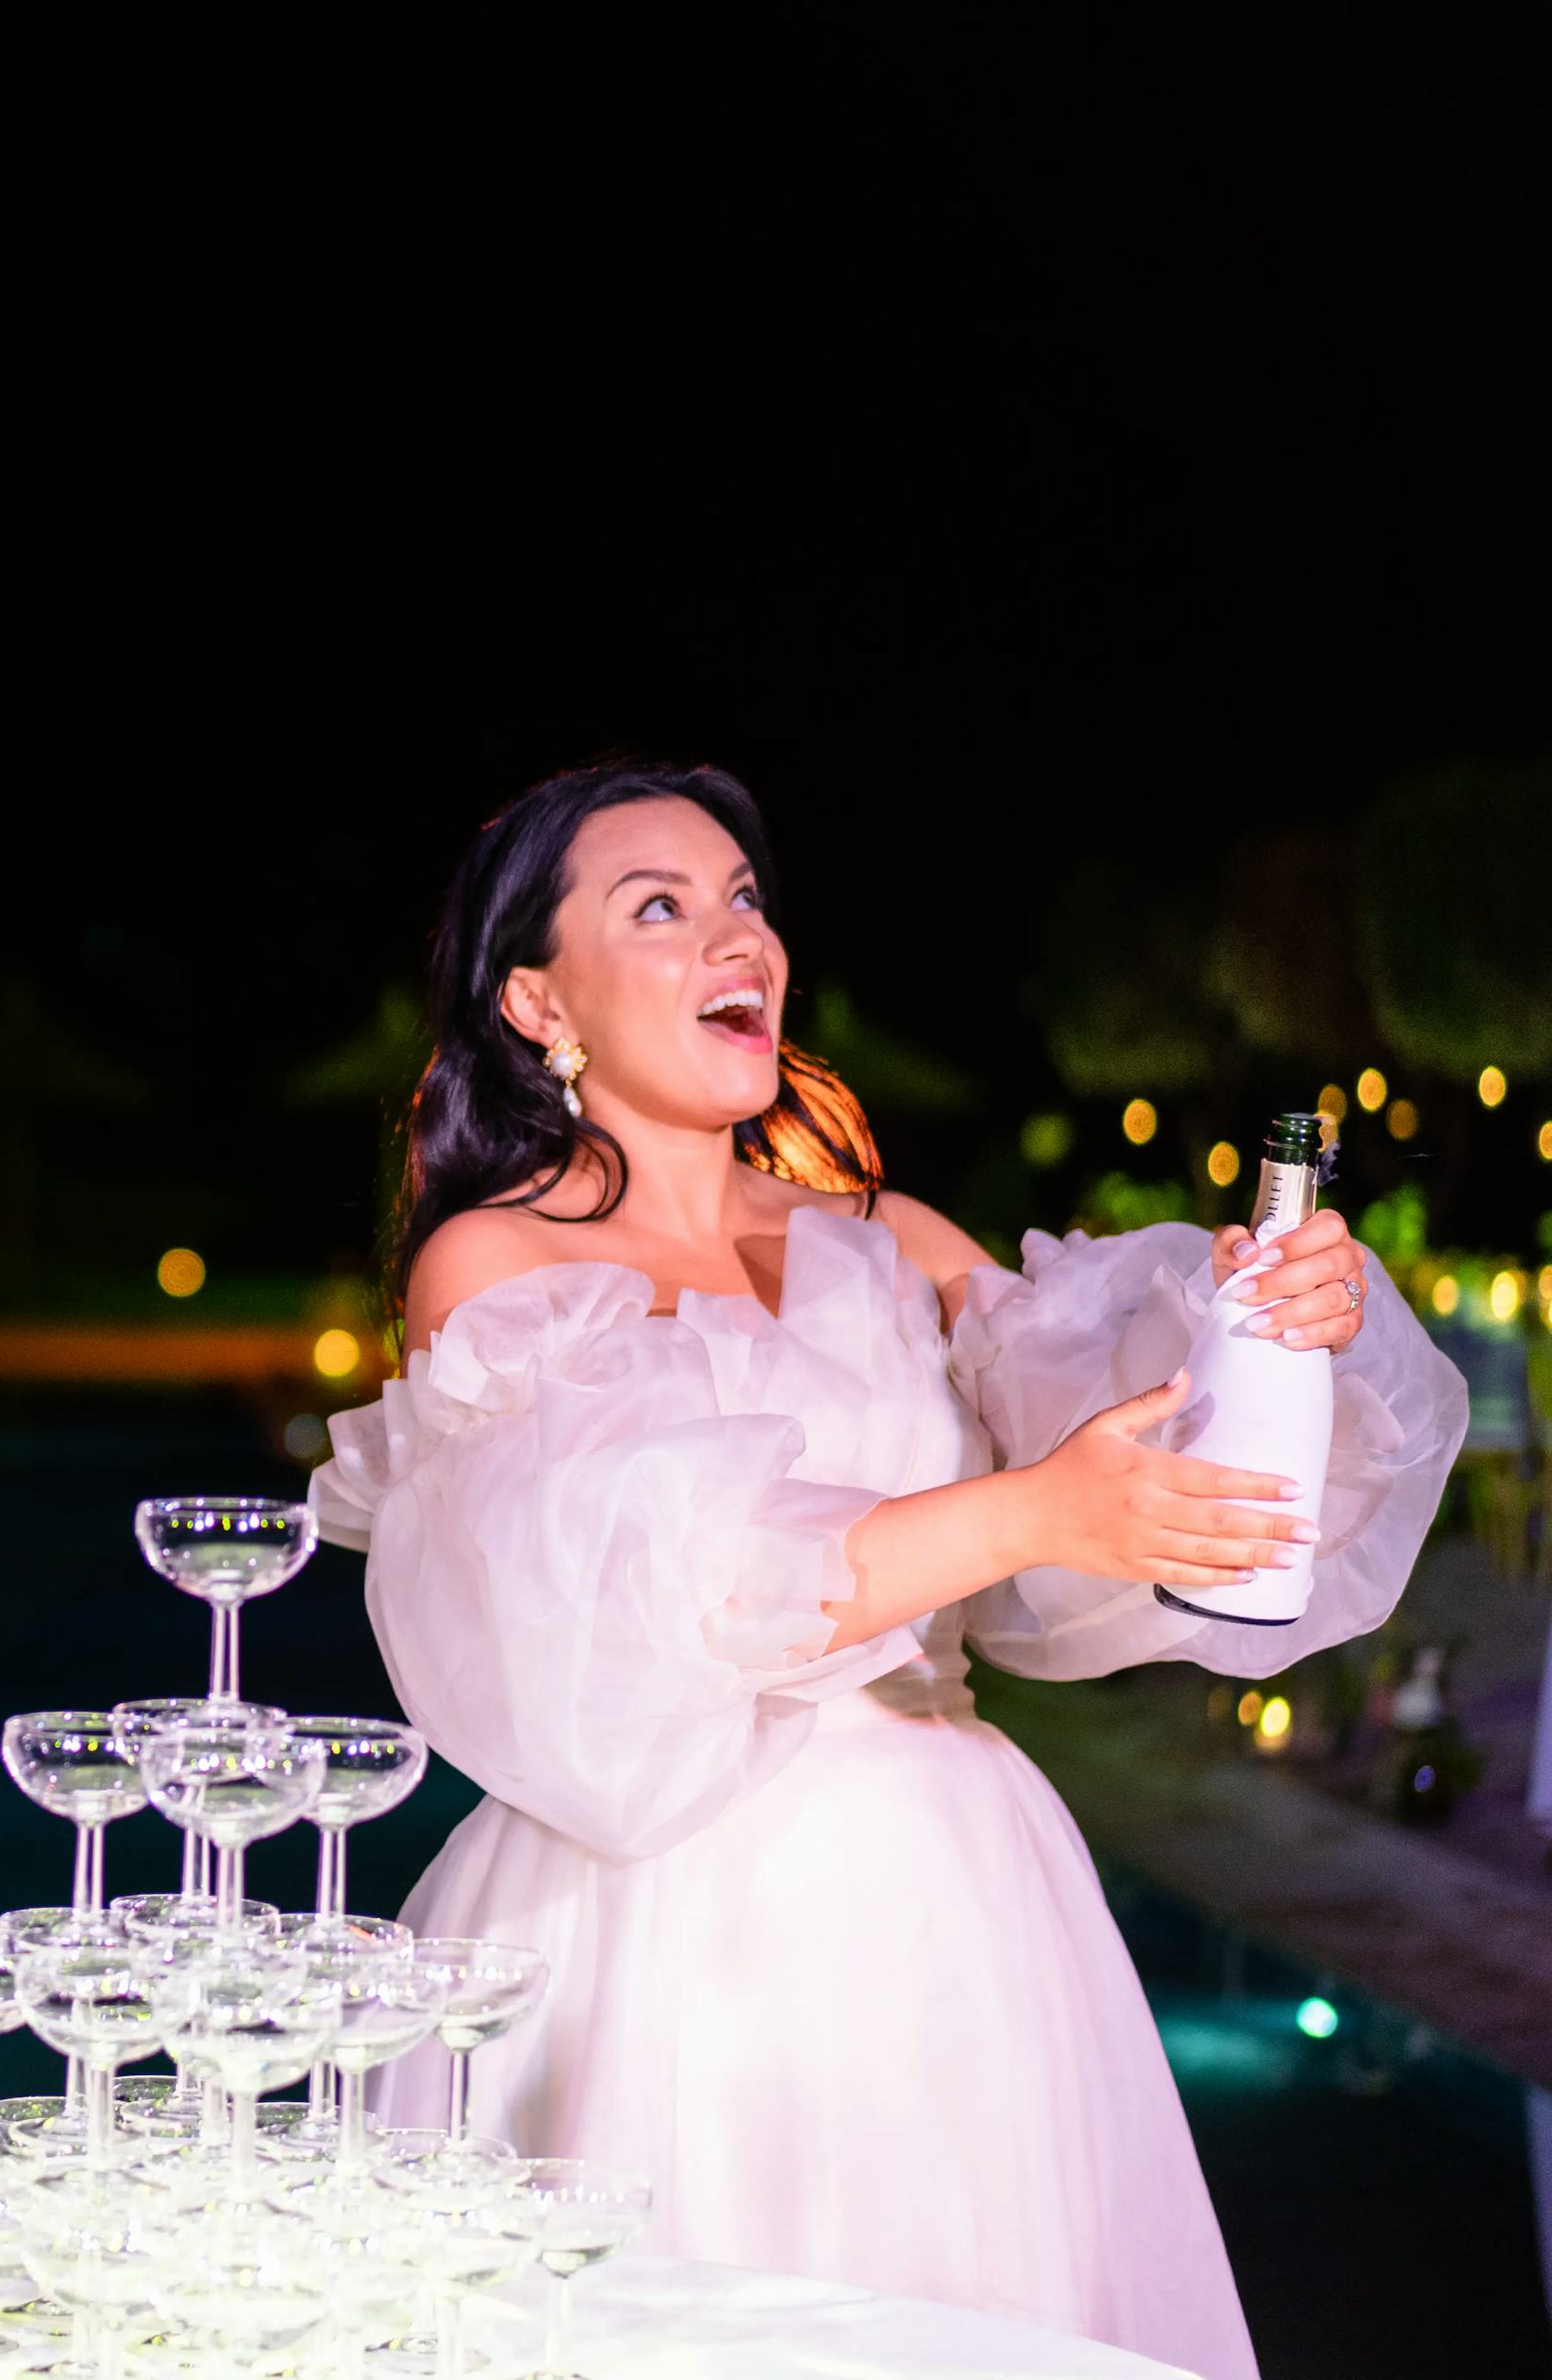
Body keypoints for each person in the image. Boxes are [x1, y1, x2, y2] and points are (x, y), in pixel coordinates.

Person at [316, 760, 1465, 2379]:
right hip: (660, 1917)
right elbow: (672, 1588)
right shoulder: (499, 1260)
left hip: (953, 1912)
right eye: (660, 907)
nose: (739, 937)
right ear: (534, 998)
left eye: (746, 900)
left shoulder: (894, 1241)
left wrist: (1268, 1335)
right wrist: (1039, 1511)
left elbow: (1146, 1444)